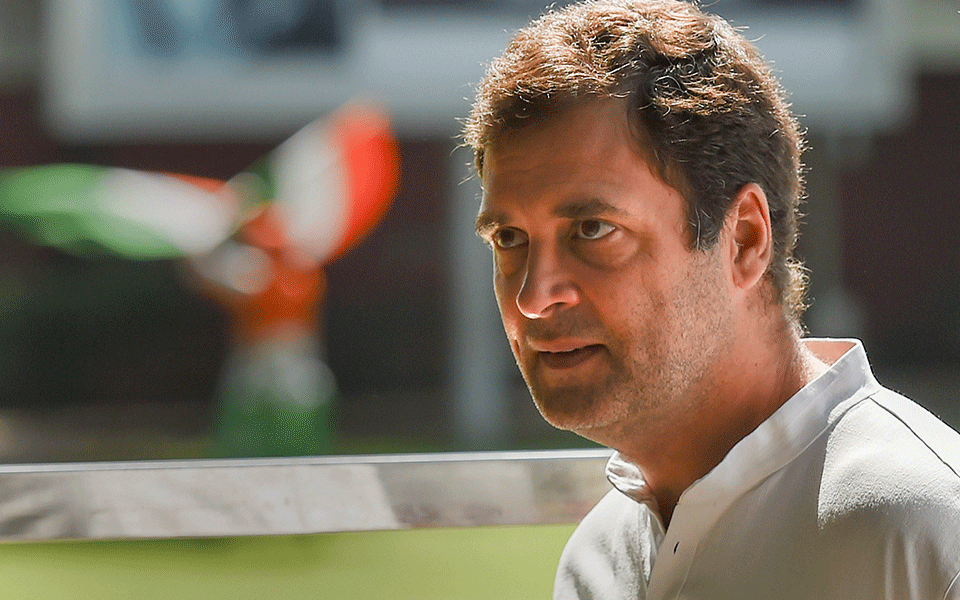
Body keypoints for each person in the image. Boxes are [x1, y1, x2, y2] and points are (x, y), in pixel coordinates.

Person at [462, 1, 960, 598]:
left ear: (744, 239)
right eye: (509, 238)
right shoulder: (595, 562)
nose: (533, 296)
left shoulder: (924, 531)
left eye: (593, 230)